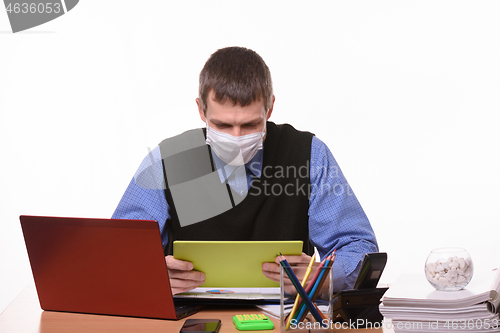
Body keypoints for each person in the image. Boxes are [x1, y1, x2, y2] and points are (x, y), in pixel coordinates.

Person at [112, 46, 378, 295]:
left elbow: (359, 247)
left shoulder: (309, 154)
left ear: (270, 108)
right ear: (201, 111)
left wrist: (325, 278)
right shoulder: (168, 160)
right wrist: (149, 276)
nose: (237, 137)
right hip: (192, 318)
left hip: (284, 317)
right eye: (223, 125)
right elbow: (117, 252)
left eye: (250, 125)